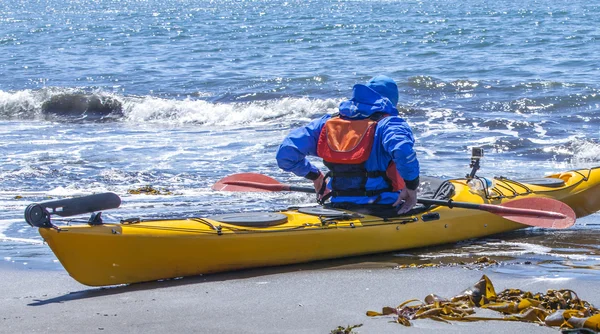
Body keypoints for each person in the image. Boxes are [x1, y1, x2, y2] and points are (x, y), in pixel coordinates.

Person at [276, 75, 420, 215]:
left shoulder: (327, 123)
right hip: (383, 207)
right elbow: (402, 151)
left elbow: (286, 153)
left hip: (338, 205)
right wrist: (411, 187)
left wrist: (314, 175)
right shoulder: (389, 124)